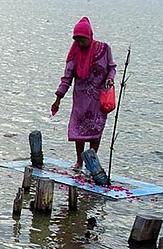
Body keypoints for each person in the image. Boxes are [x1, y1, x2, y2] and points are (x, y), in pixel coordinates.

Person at [50, 17, 117, 170]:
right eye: (77, 40)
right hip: (80, 98)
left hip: (98, 98)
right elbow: (66, 78)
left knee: (96, 129)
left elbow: (111, 67)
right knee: (79, 130)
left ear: (89, 36)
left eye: (82, 40)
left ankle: (91, 161)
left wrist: (110, 79)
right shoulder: (75, 55)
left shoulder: (104, 49)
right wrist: (58, 98)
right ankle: (79, 161)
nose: (80, 44)